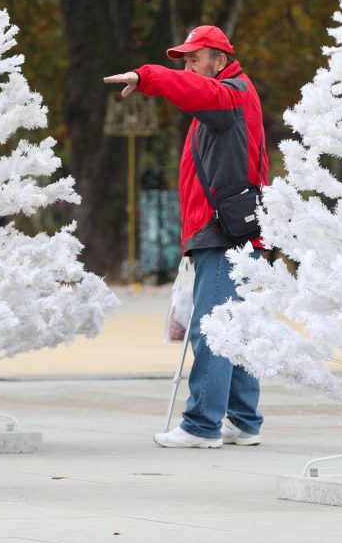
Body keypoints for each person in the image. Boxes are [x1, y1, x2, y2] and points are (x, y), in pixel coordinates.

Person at [104, 25, 267, 449]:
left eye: (196, 58)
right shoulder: (231, 94)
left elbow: (196, 93)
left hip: (221, 230)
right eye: (186, 60)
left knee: (213, 327)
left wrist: (149, 77)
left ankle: (201, 425)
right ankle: (244, 420)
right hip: (231, 227)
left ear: (219, 57)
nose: (191, 67)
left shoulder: (229, 93)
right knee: (237, 326)